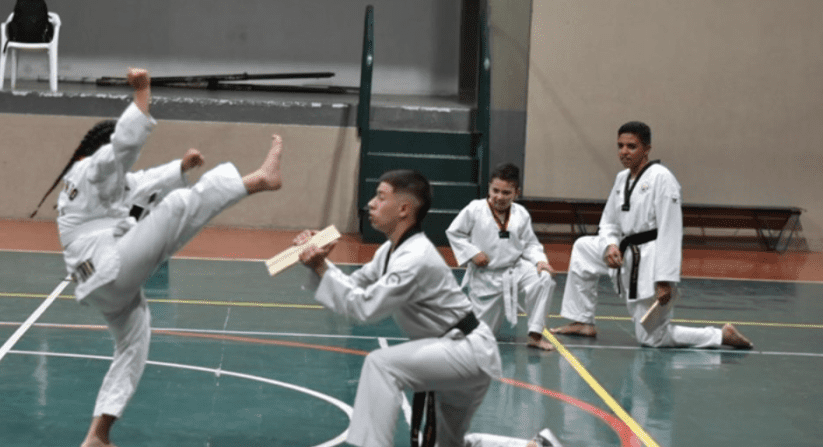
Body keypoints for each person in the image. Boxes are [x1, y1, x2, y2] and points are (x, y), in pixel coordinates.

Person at [33, 68, 284, 447]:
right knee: (178, 205)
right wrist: (142, 94)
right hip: (108, 264)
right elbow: (122, 147)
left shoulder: (91, 185)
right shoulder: (93, 167)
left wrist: (179, 168)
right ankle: (258, 179)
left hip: (97, 283)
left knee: (134, 341)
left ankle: (98, 435)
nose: (124, 169)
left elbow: (140, 184)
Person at [297, 170, 556, 447]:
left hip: (465, 350)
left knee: (381, 365)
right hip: (458, 352)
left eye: (381, 197)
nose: (371, 203)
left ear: (403, 209)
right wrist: (321, 263)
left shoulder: (414, 257)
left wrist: (320, 267)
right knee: (447, 444)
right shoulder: (390, 251)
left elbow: (364, 307)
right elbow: (352, 286)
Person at [550, 121, 753, 349]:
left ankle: (720, 336)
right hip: (624, 250)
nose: (624, 152)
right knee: (583, 248)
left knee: (652, 338)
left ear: (647, 148)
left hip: (650, 259)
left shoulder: (662, 179)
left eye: (631, 146)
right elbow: (608, 221)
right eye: (620, 146)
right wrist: (610, 246)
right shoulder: (622, 179)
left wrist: (664, 280)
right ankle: (582, 321)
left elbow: (670, 232)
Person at [446, 163, 557, 351]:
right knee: (480, 338)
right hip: (486, 277)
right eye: (495, 191)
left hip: (515, 270)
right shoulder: (475, 209)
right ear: (489, 188)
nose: (499, 196)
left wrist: (541, 261)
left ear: (516, 193)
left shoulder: (521, 214)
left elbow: (530, 244)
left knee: (543, 278)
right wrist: (473, 253)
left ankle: (535, 335)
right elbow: (455, 233)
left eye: (506, 192)